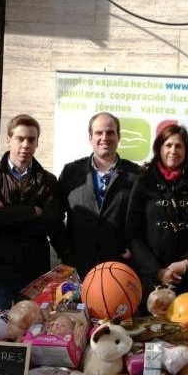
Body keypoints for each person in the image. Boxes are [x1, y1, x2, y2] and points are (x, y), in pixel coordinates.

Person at [0, 114, 68, 310]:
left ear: (37, 143)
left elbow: (51, 221)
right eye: (20, 138)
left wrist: (4, 211)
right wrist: (33, 210)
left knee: (31, 335)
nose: (25, 145)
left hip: (33, 276)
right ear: (8, 139)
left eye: (31, 139)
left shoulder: (48, 180)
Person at [126, 124, 188, 313]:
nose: (173, 151)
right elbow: (133, 233)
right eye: (168, 145)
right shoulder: (144, 182)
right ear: (159, 148)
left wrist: (187, 262)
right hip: (150, 279)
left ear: (186, 150)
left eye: (179, 146)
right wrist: (158, 270)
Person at [58, 112, 141, 278]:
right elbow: (55, 214)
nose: (105, 137)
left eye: (110, 132)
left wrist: (135, 250)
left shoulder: (136, 175)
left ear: (119, 136)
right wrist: (64, 249)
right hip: (77, 267)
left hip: (120, 268)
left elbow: (144, 219)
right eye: (99, 133)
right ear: (90, 137)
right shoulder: (71, 172)